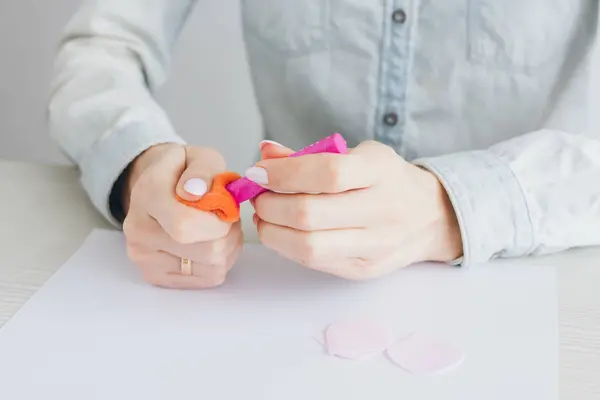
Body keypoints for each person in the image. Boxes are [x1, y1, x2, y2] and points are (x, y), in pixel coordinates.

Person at [48, 1, 600, 289]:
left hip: (539, 280)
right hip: (285, 287)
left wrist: (448, 206)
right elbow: (103, 45)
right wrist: (142, 164)